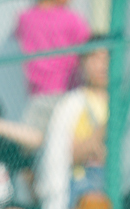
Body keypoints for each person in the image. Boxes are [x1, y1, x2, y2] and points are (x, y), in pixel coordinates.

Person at [35, 47, 110, 209]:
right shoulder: (73, 103)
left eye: (108, 59)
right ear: (83, 64)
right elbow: (63, 155)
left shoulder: (128, 100)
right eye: (95, 59)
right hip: (82, 188)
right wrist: (100, 136)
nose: (103, 65)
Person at [17, 0, 92, 132]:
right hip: (69, 91)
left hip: (38, 94)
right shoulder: (71, 19)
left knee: (35, 141)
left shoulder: (25, 18)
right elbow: (89, 47)